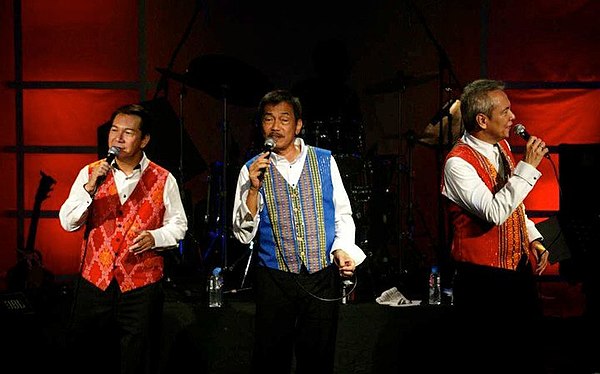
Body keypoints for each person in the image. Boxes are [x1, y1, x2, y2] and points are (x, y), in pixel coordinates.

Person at [232, 89, 366, 374]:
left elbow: (342, 213)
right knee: (270, 358)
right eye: (269, 119)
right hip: (275, 276)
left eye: (284, 119)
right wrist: (254, 190)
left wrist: (343, 250)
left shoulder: (324, 160)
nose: (276, 127)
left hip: (320, 275)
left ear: (298, 125)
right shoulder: (252, 169)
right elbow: (243, 234)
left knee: (318, 357)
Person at [59, 103, 188, 374]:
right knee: (89, 353)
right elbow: (68, 222)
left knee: (137, 356)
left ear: (144, 139)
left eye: (128, 132)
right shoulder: (91, 172)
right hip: (95, 283)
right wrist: (89, 188)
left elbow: (179, 225)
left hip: (140, 285)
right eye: (114, 130)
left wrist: (155, 237)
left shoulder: (164, 178)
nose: (118, 138)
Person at [441, 79, 550, 373]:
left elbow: (514, 204)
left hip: (516, 272)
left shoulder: (501, 146)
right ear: (482, 119)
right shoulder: (457, 163)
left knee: (527, 354)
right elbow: (494, 212)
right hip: (483, 281)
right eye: (505, 111)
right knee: (489, 359)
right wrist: (527, 167)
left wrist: (534, 240)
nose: (513, 118)